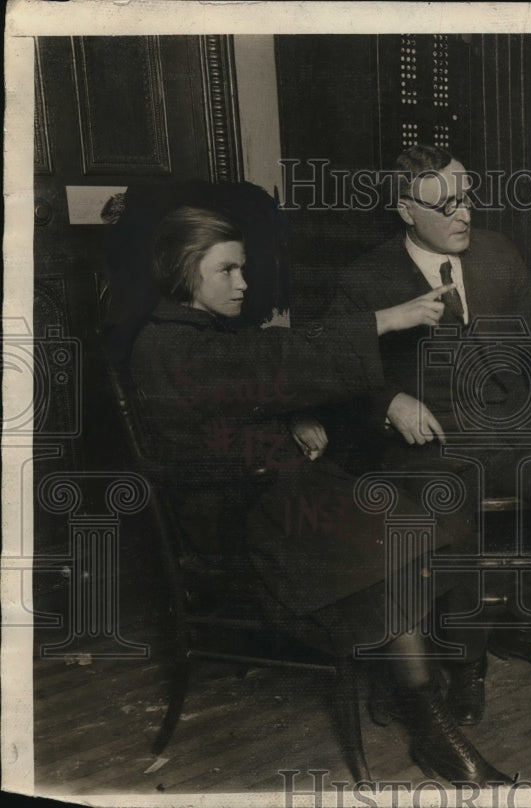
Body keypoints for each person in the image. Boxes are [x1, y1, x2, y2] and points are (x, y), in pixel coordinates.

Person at [128, 204, 511, 786]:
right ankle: (427, 721)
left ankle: (413, 681)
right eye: (228, 271)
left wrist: (293, 419)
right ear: (185, 272)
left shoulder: (192, 333)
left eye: (243, 269)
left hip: (268, 492)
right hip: (231, 513)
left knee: (421, 528)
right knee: (390, 550)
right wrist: (382, 320)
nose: (244, 283)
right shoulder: (166, 346)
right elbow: (265, 363)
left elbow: (243, 387)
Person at [334, 144, 531, 726]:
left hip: (516, 428)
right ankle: (465, 663)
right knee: (454, 509)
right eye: (443, 204)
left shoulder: (498, 255)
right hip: (431, 444)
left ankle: (527, 623)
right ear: (405, 211)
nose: (462, 214)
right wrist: (388, 401)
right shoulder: (363, 280)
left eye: (466, 196)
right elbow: (334, 372)